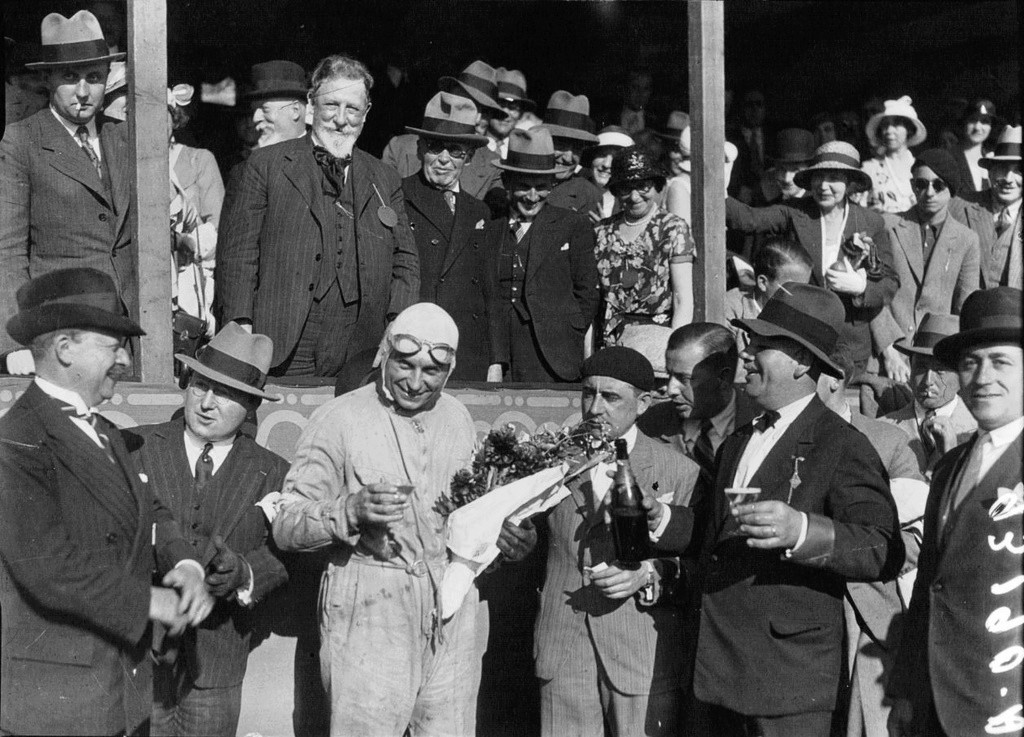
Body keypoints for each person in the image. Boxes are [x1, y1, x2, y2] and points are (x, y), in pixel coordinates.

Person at [649, 282, 903, 737]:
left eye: (762, 346)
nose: (746, 356)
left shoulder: (843, 445)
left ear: (802, 361)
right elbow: (713, 532)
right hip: (716, 676)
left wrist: (803, 530)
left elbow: (883, 548)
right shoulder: (738, 442)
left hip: (788, 686)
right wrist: (662, 519)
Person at [0, 267, 214, 735]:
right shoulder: (15, 440)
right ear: (64, 349)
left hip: (119, 692)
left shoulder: (107, 432)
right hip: (57, 705)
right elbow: (46, 565)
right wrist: (150, 600)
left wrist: (185, 564)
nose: (123, 359)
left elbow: (150, 512)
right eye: (112, 345)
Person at [271, 303, 487, 736]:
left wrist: (499, 538)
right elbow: (286, 524)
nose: (414, 381)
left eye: (432, 371)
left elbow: (469, 516)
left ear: (450, 371)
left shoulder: (458, 419)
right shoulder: (338, 419)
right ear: (384, 355)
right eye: (404, 364)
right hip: (370, 603)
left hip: (452, 602)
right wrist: (348, 511)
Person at [123, 322, 289, 737]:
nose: (208, 402)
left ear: (251, 405)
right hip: (138, 656)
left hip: (217, 663)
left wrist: (245, 574)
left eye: (228, 393)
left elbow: (284, 555)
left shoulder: (274, 471)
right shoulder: (134, 448)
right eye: (200, 386)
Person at [217, 53, 419, 378]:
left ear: (366, 113)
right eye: (331, 105)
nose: (341, 119)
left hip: (362, 343)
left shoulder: (384, 177)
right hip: (282, 337)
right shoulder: (265, 166)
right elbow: (239, 255)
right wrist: (241, 325)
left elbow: (405, 261)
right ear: (311, 105)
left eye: (352, 108)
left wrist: (398, 321)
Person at [534, 347, 700, 737]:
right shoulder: (549, 460)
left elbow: (696, 566)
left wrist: (647, 576)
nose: (594, 408)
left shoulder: (678, 471)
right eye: (588, 393)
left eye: (611, 397)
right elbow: (530, 547)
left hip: (641, 651)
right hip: (562, 645)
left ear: (643, 403)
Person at [887, 287, 1023, 737]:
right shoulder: (948, 468)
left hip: (1008, 702)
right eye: (970, 363)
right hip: (941, 704)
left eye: (1001, 361)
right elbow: (931, 584)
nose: (983, 377)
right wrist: (906, 691)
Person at [0, 11, 134, 373]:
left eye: (94, 77)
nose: (82, 91)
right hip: (63, 333)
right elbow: (7, 251)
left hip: (129, 334)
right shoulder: (22, 140)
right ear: (47, 78)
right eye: (69, 77)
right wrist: (16, 342)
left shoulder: (124, 136)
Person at [815, 346, 926, 737]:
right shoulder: (771, 436)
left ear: (834, 380)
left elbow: (913, 541)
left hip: (867, 611)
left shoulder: (887, 439)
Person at [725, 141, 899, 373]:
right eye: (818, 177)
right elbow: (749, 220)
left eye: (834, 178)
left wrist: (861, 288)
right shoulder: (795, 212)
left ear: (849, 183)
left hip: (850, 344)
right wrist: (721, 187)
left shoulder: (870, 222)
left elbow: (890, 282)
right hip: (800, 338)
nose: (824, 186)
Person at [484, 127, 601, 383]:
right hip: (499, 350)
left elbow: (588, 291)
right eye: (524, 187)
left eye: (541, 187)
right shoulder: (491, 227)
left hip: (552, 350)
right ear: (507, 183)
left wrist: (569, 330)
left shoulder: (571, 224)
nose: (533, 196)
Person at [401, 91, 493, 380]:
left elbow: (489, 291)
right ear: (419, 149)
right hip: (416, 345)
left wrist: (495, 359)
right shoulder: (398, 196)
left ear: (469, 158)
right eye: (435, 147)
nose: (443, 159)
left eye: (455, 151)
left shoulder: (480, 211)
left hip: (467, 349)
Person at [871, 148, 981, 385]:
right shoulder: (888, 226)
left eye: (938, 185)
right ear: (912, 186)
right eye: (921, 184)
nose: (929, 192)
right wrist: (888, 349)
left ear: (951, 189)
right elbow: (872, 294)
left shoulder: (966, 239)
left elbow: (965, 307)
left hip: (937, 359)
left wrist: (947, 360)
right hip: (886, 356)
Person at [595, 145, 695, 347]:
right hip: (609, 340)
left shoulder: (673, 229)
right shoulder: (601, 231)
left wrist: (673, 350)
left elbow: (681, 299)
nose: (634, 197)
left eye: (643, 187)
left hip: (656, 341)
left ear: (656, 185)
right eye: (625, 188)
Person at [639, 323, 758, 483]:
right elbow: (652, 486)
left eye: (685, 378)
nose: (671, 390)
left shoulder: (762, 423)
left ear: (723, 378)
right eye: (670, 375)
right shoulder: (649, 424)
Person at [381, 60, 508, 200]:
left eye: (486, 113)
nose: (476, 119)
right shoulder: (400, 148)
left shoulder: (493, 166)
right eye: (467, 106)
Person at [880, 313, 978, 479]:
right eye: (920, 368)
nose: (928, 381)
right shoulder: (881, 429)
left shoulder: (981, 433)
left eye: (940, 370)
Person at [723, 237, 813, 372]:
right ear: (763, 283)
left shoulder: (803, 312)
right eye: (792, 288)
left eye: (804, 289)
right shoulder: (730, 309)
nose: (800, 296)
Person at [950, 125, 1022, 289]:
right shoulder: (958, 207)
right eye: (1003, 168)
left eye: (1019, 171)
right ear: (989, 172)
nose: (1009, 179)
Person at [857, 96, 927, 214]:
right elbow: (858, 213)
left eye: (896, 124)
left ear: (909, 129)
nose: (889, 130)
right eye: (885, 125)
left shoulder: (922, 169)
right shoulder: (868, 169)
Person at [542, 91, 604, 216]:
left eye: (577, 148)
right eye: (561, 145)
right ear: (543, 140)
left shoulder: (587, 195)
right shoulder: (516, 179)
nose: (568, 158)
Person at [245, 60, 309, 149]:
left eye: (265, 109)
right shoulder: (249, 159)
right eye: (254, 110)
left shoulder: (324, 157)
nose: (255, 118)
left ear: (295, 110)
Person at [582, 126, 634, 221]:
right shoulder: (572, 192)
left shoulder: (632, 201)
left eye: (615, 158)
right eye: (602, 155)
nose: (606, 164)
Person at [756, 128, 816, 205]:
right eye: (781, 169)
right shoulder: (767, 203)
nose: (787, 179)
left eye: (795, 170)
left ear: (808, 170)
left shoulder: (818, 206)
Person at [952, 98, 998, 193]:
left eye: (984, 121)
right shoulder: (949, 157)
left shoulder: (993, 160)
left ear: (991, 127)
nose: (977, 127)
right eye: (972, 120)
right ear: (964, 123)